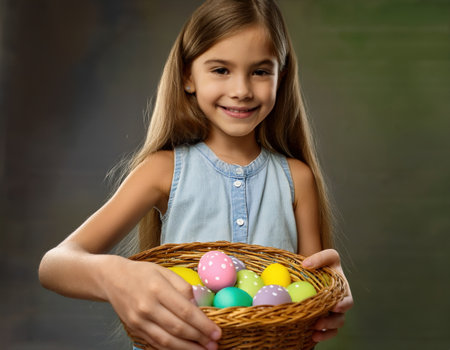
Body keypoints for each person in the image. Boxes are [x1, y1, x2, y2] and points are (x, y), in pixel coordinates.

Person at [38, 0, 353, 349]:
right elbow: (54, 266)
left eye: (261, 71)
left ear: (282, 76)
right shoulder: (163, 170)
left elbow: (304, 291)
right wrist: (116, 274)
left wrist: (330, 287)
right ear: (188, 77)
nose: (242, 90)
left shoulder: (297, 179)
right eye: (221, 70)